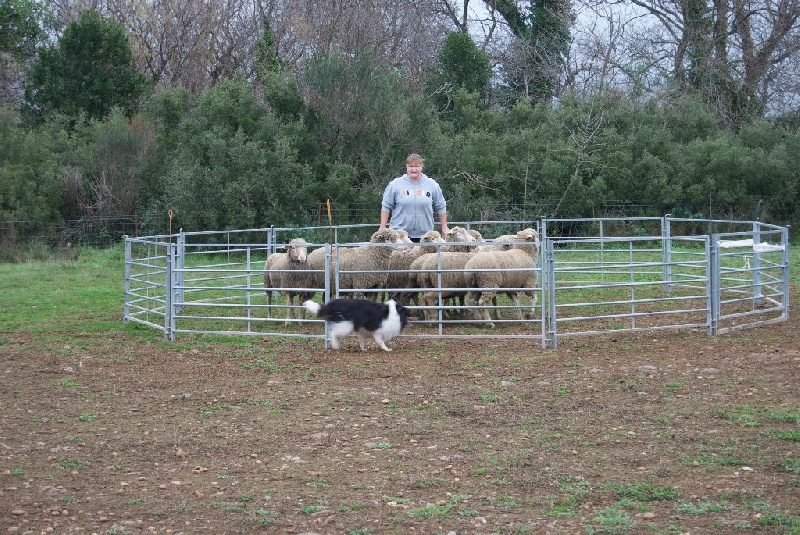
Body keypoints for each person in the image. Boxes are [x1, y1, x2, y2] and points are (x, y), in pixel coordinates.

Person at [379, 153, 448, 242]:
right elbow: (386, 206)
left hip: (425, 236)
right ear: (406, 166)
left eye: (417, 166)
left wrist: (444, 226)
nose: (414, 169)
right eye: (411, 166)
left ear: (422, 167)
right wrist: (382, 227)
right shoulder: (395, 185)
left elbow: (441, 205)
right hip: (400, 236)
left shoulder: (432, 185)